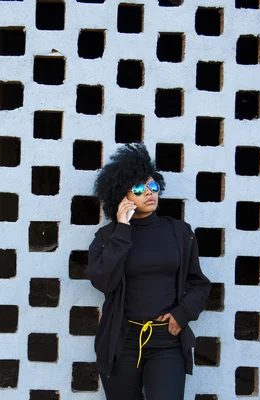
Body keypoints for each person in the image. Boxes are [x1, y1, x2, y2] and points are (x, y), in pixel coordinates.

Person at [85, 144, 210, 400]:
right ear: (122, 195)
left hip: (167, 342)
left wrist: (182, 313)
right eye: (139, 189)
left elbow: (199, 284)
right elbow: (103, 281)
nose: (149, 194)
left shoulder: (179, 232)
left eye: (153, 187)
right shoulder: (108, 237)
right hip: (122, 341)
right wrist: (122, 229)